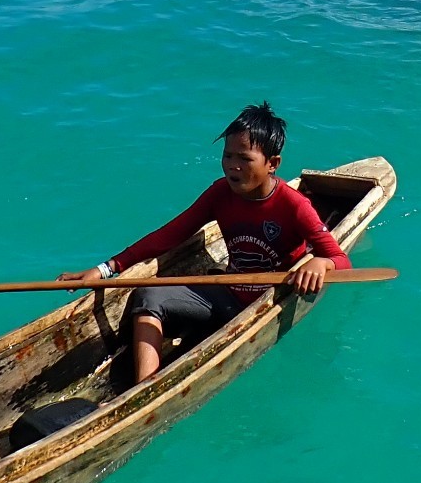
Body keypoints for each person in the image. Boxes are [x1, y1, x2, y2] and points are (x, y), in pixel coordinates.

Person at [61, 103, 349, 383]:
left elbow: (341, 261)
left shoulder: (293, 205)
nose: (233, 167)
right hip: (227, 294)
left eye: (245, 159)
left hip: (268, 299)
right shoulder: (220, 194)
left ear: (272, 164)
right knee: (149, 295)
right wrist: (106, 269)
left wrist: (320, 262)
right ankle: (144, 388)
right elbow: (169, 235)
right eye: (227, 156)